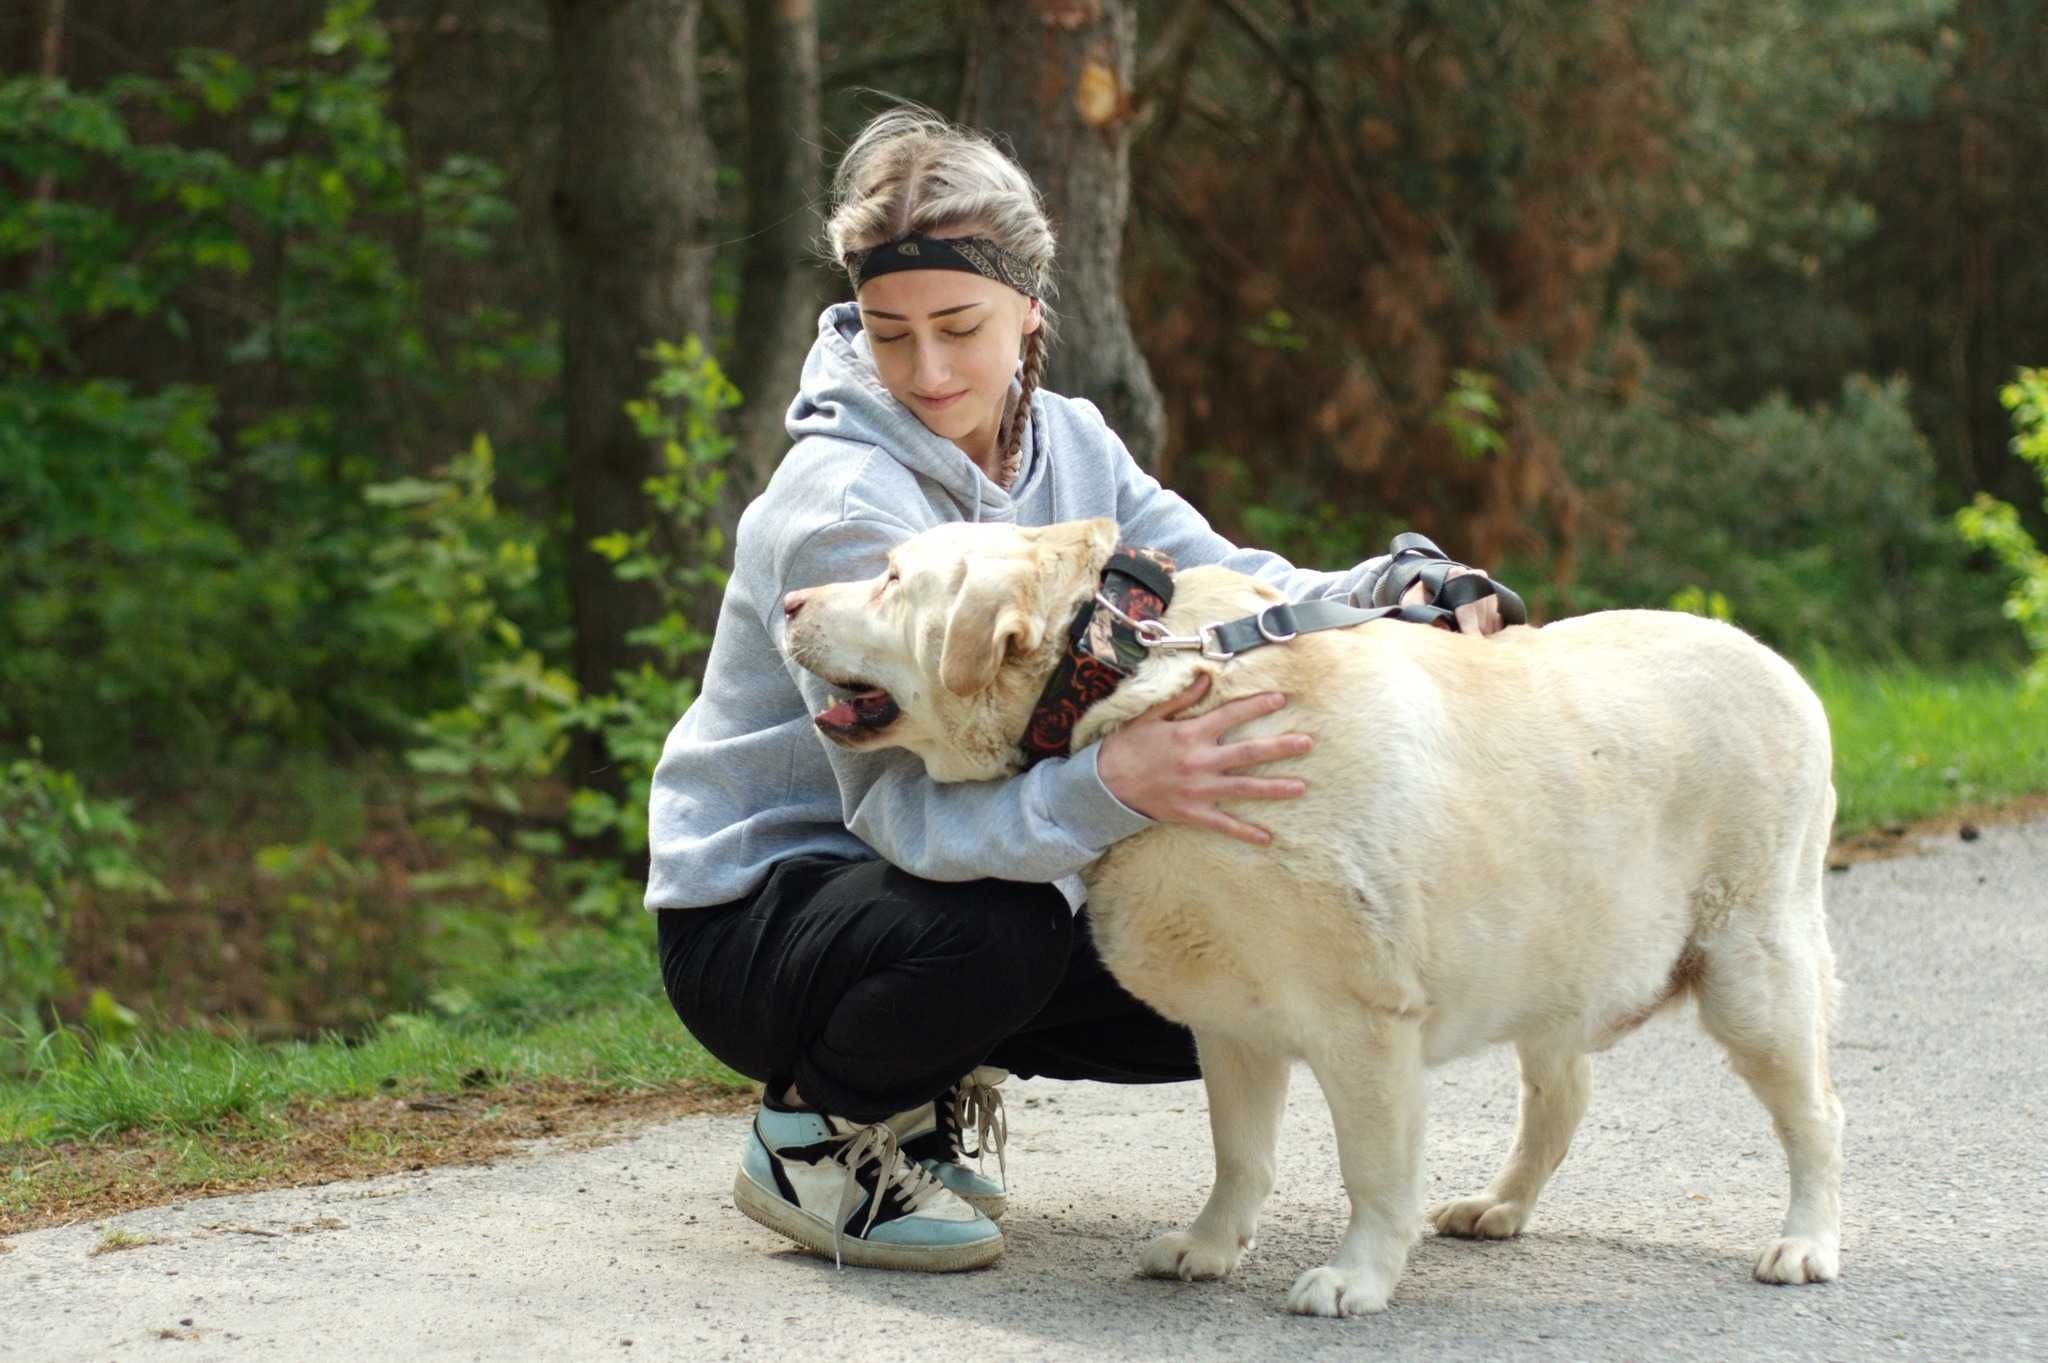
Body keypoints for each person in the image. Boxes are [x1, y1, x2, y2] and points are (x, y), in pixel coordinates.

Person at [646, 105, 1509, 1273]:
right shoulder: (847, 508)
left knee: (1225, 951)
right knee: (998, 930)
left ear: (1027, 314)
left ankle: (920, 1078)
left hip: (929, 879)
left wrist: (1398, 583)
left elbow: (1229, 579)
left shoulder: (1067, 441)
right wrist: (1110, 783)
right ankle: (819, 1128)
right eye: (890, 336)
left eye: (959, 328)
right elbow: (893, 814)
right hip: (765, 908)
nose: (928, 371)